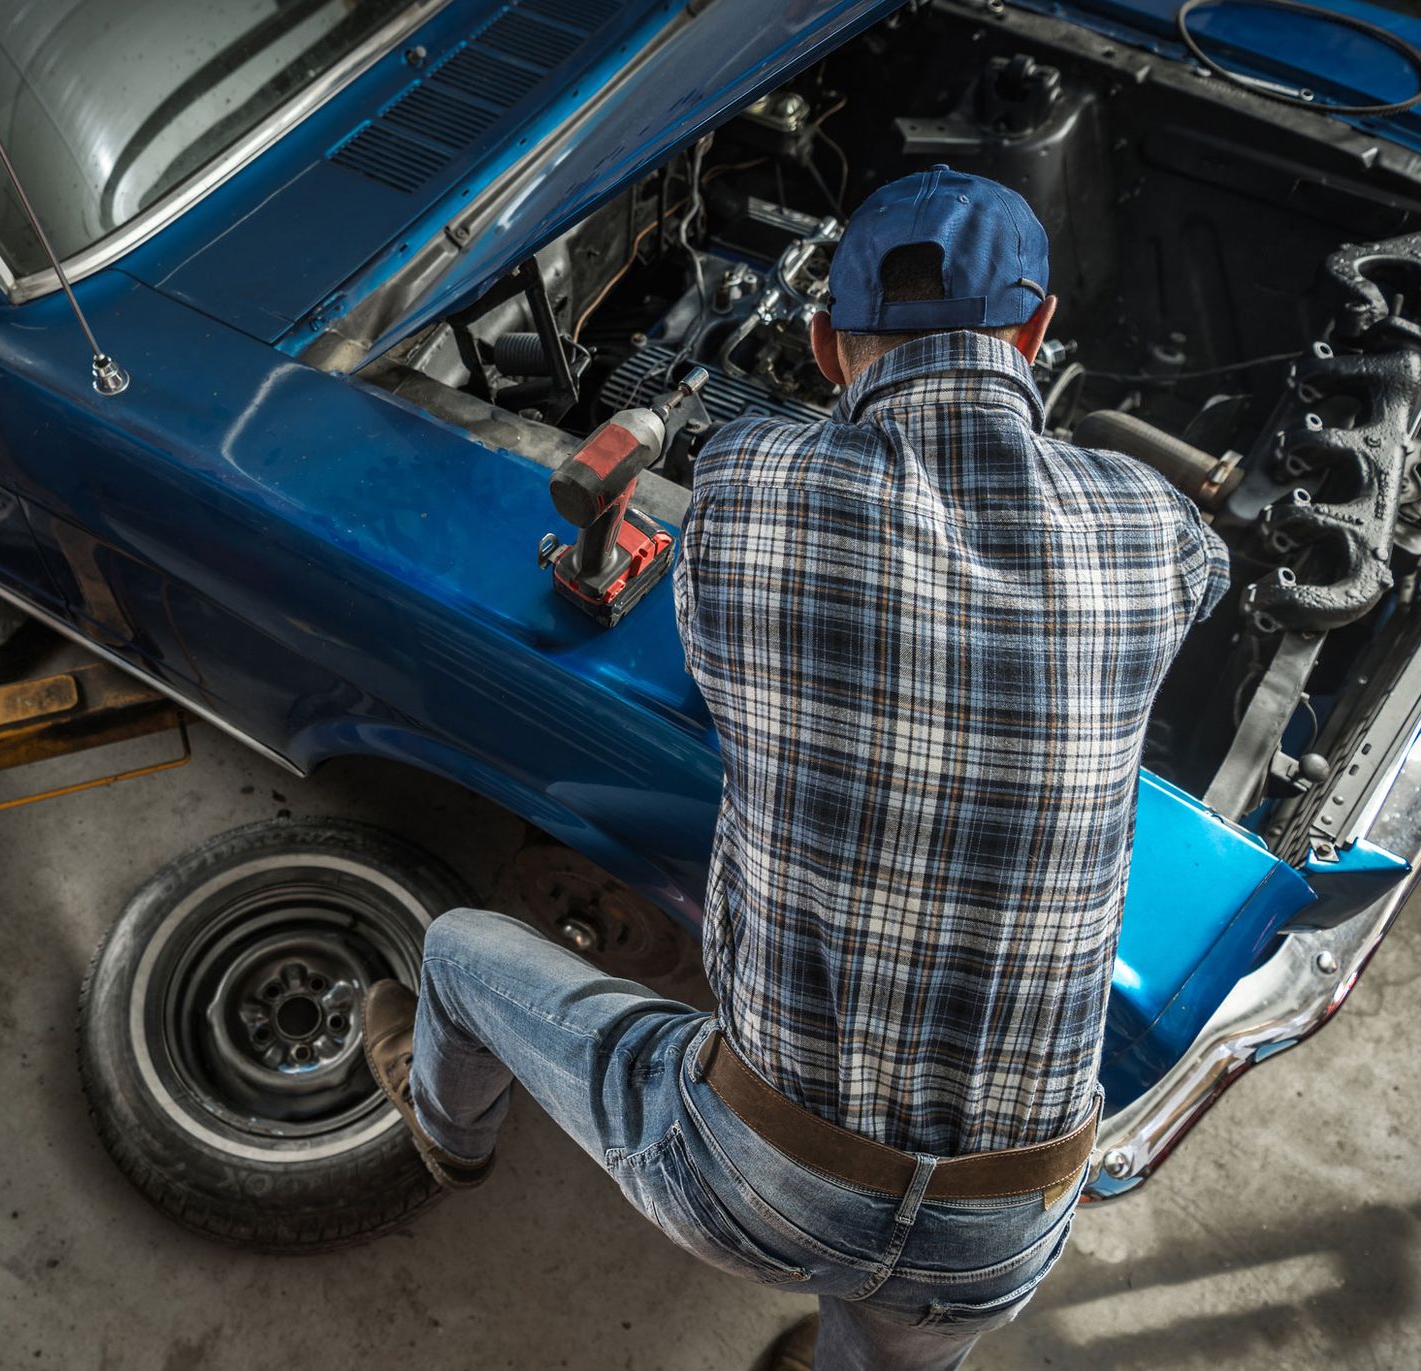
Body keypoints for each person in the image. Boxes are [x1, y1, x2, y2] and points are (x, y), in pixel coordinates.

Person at [361, 164, 1229, 1370]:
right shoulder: (1147, 523)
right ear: (1035, 332)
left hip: (761, 1186)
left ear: (822, 344)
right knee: (897, 1339)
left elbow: (700, 601)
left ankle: (450, 1136)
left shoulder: (752, 483)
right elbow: (1203, 580)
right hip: (1007, 1227)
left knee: (457, 951)